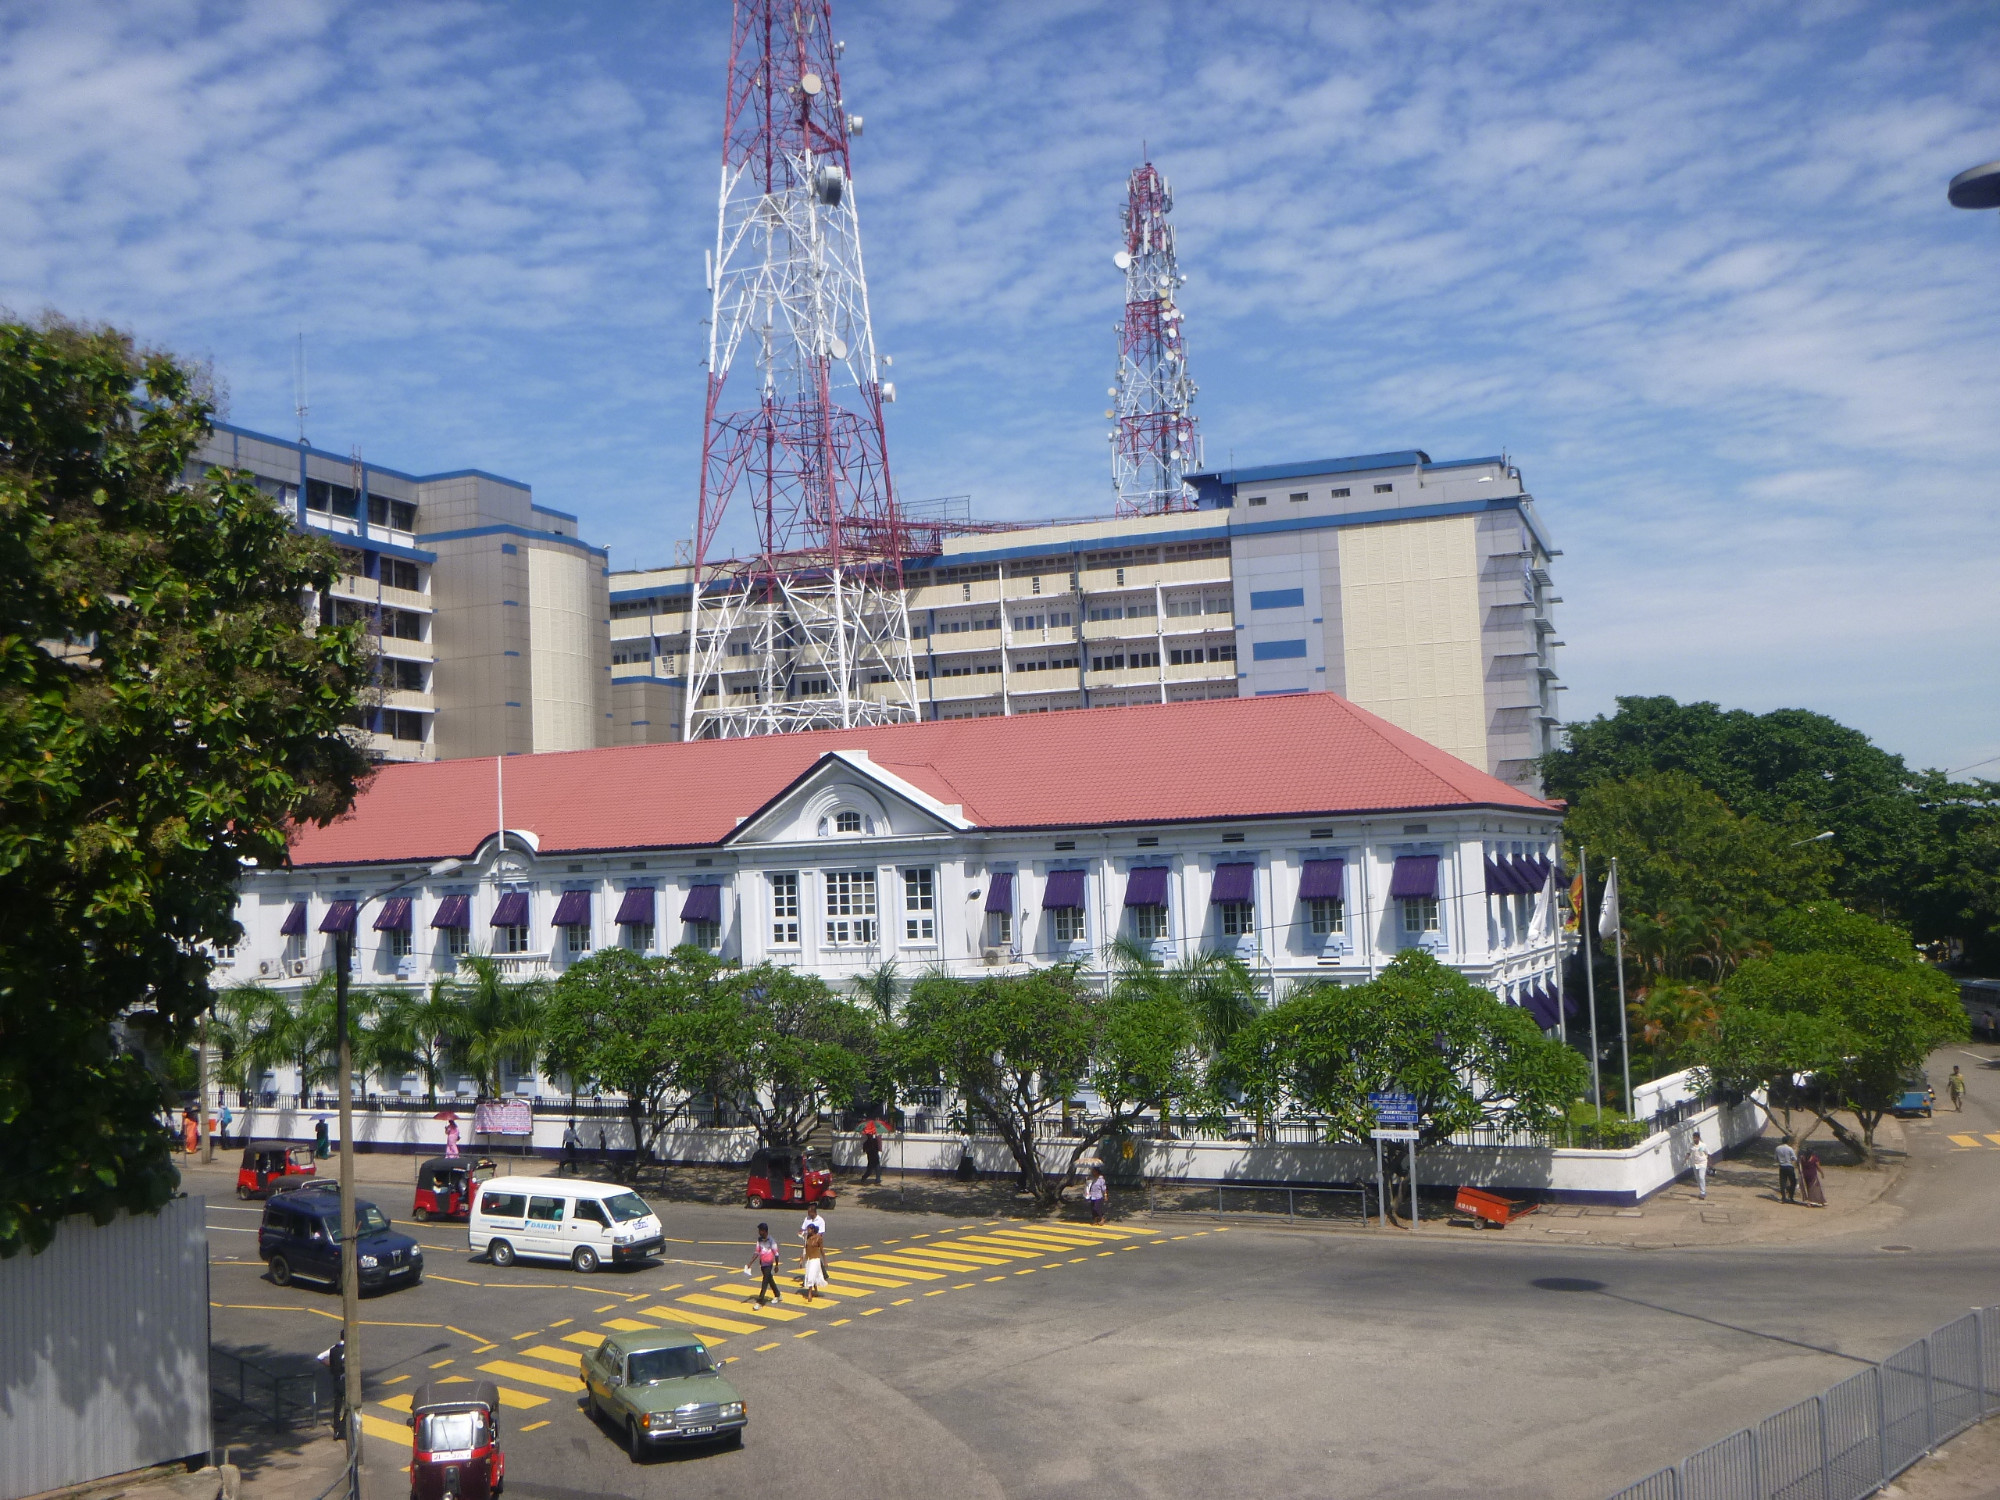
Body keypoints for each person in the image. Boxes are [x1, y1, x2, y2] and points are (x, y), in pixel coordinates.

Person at [316, 1337, 346, 1432]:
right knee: (350, 1404)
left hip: (336, 1380)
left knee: (337, 1405)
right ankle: (344, 1426)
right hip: (344, 1380)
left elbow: (320, 1357)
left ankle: (336, 1428)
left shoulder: (334, 1348)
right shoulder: (347, 1349)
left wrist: (332, 1364)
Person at [750, 1223, 783, 1307]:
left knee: (765, 1281)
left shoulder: (771, 1241)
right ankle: (778, 1295)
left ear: (764, 1231)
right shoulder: (759, 1240)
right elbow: (757, 1252)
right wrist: (750, 1263)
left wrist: (776, 1265)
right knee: (769, 1279)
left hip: (769, 1264)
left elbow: (776, 1253)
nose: (759, 1232)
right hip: (762, 1263)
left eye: (760, 1230)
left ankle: (760, 1301)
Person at [800, 1220, 828, 1302]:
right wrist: (801, 1259)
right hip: (809, 1259)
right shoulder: (807, 1238)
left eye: (809, 1229)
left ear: (813, 1230)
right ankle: (815, 1290)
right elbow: (805, 1249)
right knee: (812, 1275)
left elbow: (822, 1250)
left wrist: (825, 1261)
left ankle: (809, 1293)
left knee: (811, 1276)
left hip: (815, 1260)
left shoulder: (819, 1238)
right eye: (807, 1229)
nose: (808, 1231)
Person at [1688, 1129, 1710, 1201]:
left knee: (1701, 1177)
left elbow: (1708, 1153)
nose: (1694, 1139)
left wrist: (1710, 1163)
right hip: (1695, 1163)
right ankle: (1701, 1191)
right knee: (1697, 1178)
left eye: (1695, 1138)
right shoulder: (1691, 1145)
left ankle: (1703, 1192)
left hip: (1702, 1163)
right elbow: (1689, 1153)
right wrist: (1685, 1160)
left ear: (1698, 1138)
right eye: (1693, 1138)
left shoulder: (1703, 1145)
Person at [1775, 1137, 1798, 1204]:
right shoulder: (1789, 1148)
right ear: (1788, 1141)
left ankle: (1783, 1198)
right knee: (1793, 1182)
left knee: (1782, 1182)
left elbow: (1775, 1158)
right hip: (1789, 1166)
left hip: (1782, 1167)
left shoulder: (1777, 1148)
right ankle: (1791, 1197)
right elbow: (1794, 1158)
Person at [860, 1119, 883, 1184]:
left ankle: (877, 1180)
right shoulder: (867, 1132)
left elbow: (878, 1140)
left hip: (874, 1150)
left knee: (876, 1164)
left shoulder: (875, 1133)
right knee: (871, 1165)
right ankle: (865, 1177)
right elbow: (865, 1140)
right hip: (870, 1150)